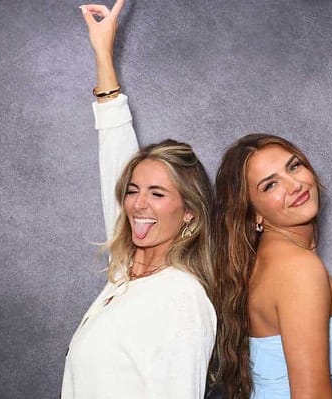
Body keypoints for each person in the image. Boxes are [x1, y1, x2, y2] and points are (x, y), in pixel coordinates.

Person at [61, 1, 216, 397]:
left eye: (158, 193)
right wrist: (103, 58)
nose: (138, 204)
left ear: (190, 216)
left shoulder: (181, 299)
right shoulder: (125, 275)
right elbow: (116, 158)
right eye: (133, 191)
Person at [212, 134, 332, 399]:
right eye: (270, 185)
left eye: (294, 166)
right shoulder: (298, 270)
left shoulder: (267, 260)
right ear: (253, 212)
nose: (295, 185)